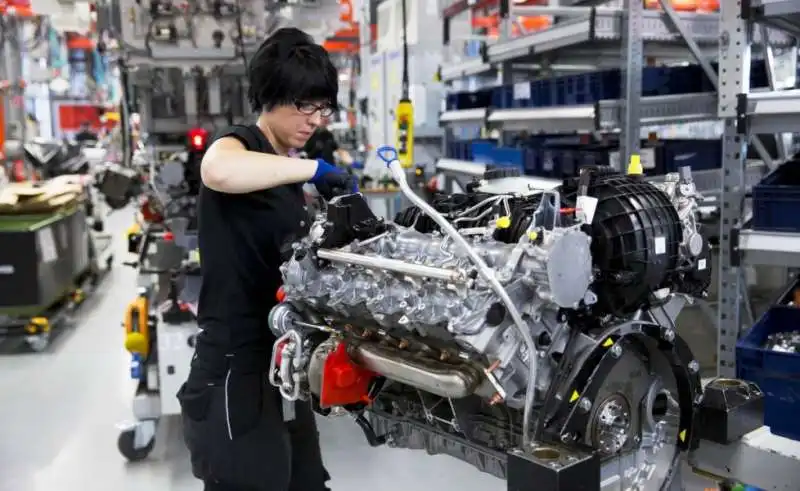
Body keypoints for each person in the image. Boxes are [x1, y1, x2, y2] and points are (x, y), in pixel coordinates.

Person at [177, 28, 355, 491]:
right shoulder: (238, 145)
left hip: (282, 363)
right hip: (235, 367)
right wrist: (315, 169)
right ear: (269, 96)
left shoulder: (286, 168)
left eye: (323, 107)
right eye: (304, 105)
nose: (315, 119)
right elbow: (216, 170)